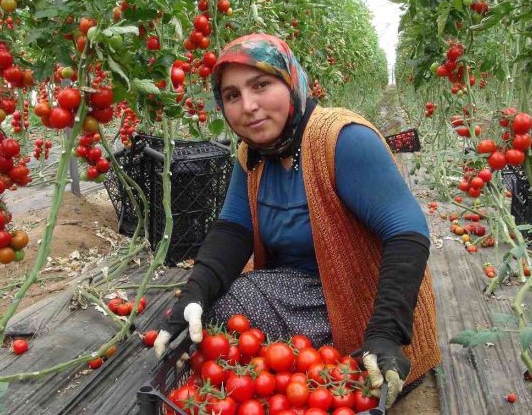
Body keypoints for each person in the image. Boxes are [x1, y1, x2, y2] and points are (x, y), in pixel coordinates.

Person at [153, 33, 440, 407]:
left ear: (290, 82)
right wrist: (194, 293)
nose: (249, 106)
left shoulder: (341, 139)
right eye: (232, 95)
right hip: (298, 289)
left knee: (242, 332)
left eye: (261, 85)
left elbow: (407, 232)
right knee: (213, 314)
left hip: (366, 296)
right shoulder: (251, 154)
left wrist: (387, 331)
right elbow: (234, 229)